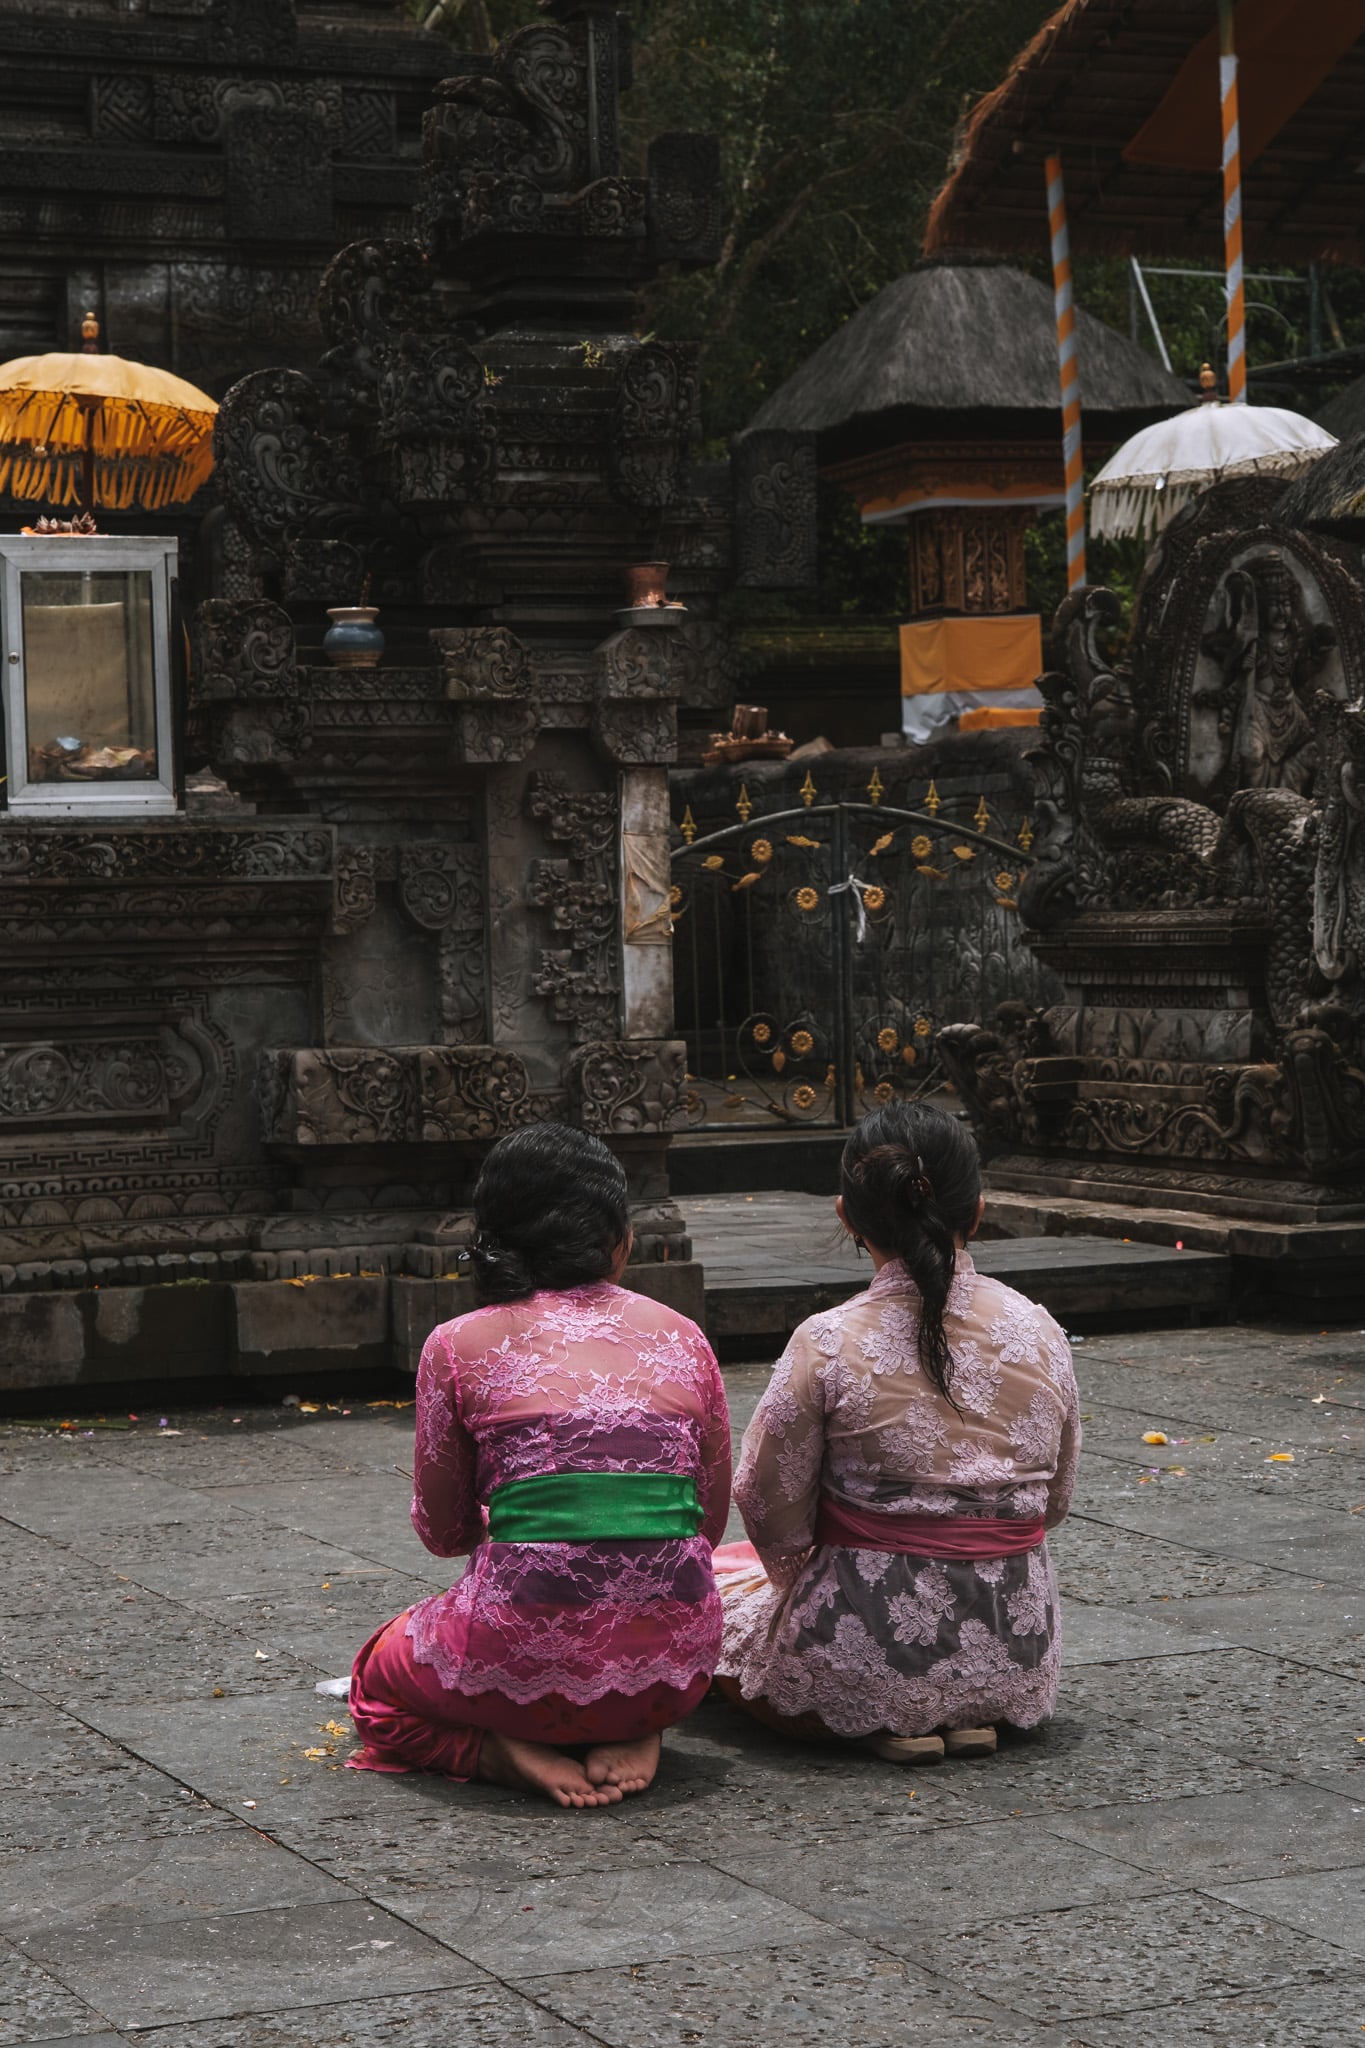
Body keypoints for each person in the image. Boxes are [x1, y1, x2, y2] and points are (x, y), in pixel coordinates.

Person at [349, 1124, 731, 1808]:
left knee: (376, 1677)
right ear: (621, 1241)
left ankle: (493, 1751)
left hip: (516, 1667)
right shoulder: (684, 1336)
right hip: (675, 1666)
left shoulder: (457, 1344)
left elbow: (443, 1534)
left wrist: (533, 1514)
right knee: (645, 1608)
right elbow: (706, 1522)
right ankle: (643, 1724)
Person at [714, 1100, 1079, 1763]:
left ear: (847, 1216)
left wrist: (799, 1576)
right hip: (1012, 1645)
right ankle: (970, 1709)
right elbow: (1052, 1502)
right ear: (976, 1211)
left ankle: (887, 1711)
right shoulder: (1039, 1330)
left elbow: (765, 1501)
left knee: (710, 1619)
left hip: (864, 1644)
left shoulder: (826, 1340)